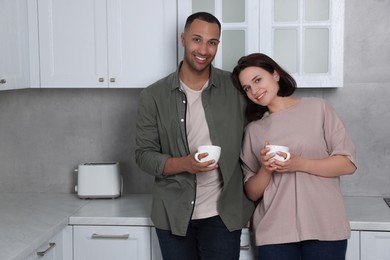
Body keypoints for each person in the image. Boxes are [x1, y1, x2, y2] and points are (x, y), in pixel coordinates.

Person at [135, 12, 254, 260]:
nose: (204, 49)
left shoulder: (234, 88)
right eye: (197, 39)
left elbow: (262, 124)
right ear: (183, 39)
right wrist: (185, 164)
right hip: (172, 215)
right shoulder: (153, 95)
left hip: (222, 215)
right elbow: (143, 156)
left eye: (212, 42)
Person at [231, 53, 357, 260]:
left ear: (275, 74)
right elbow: (252, 193)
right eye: (247, 88)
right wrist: (266, 169)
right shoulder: (254, 130)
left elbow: (347, 163)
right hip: (274, 230)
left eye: (257, 80)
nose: (254, 91)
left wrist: (300, 164)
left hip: (324, 224)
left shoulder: (318, 108)